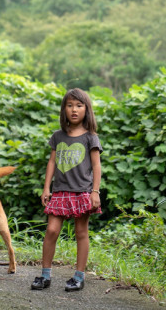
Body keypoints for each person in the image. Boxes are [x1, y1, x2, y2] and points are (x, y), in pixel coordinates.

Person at [31, 88, 102, 292]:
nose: (74, 109)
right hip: (60, 191)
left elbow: (97, 166)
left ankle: (79, 277)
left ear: (86, 110)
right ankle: (45, 275)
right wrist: (46, 188)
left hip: (82, 191)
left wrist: (95, 191)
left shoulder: (91, 137)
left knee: (81, 232)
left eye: (79, 105)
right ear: (64, 109)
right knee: (52, 230)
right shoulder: (58, 136)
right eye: (69, 105)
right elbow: (52, 162)